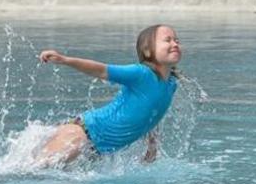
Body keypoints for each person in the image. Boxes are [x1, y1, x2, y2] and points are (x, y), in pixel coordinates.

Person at [36, 24, 181, 167]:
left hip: (95, 152)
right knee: (34, 169)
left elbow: (154, 112)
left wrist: (152, 146)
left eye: (177, 41)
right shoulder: (140, 74)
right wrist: (65, 60)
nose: (174, 44)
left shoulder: (171, 84)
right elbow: (101, 70)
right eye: (167, 40)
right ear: (148, 51)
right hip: (81, 135)